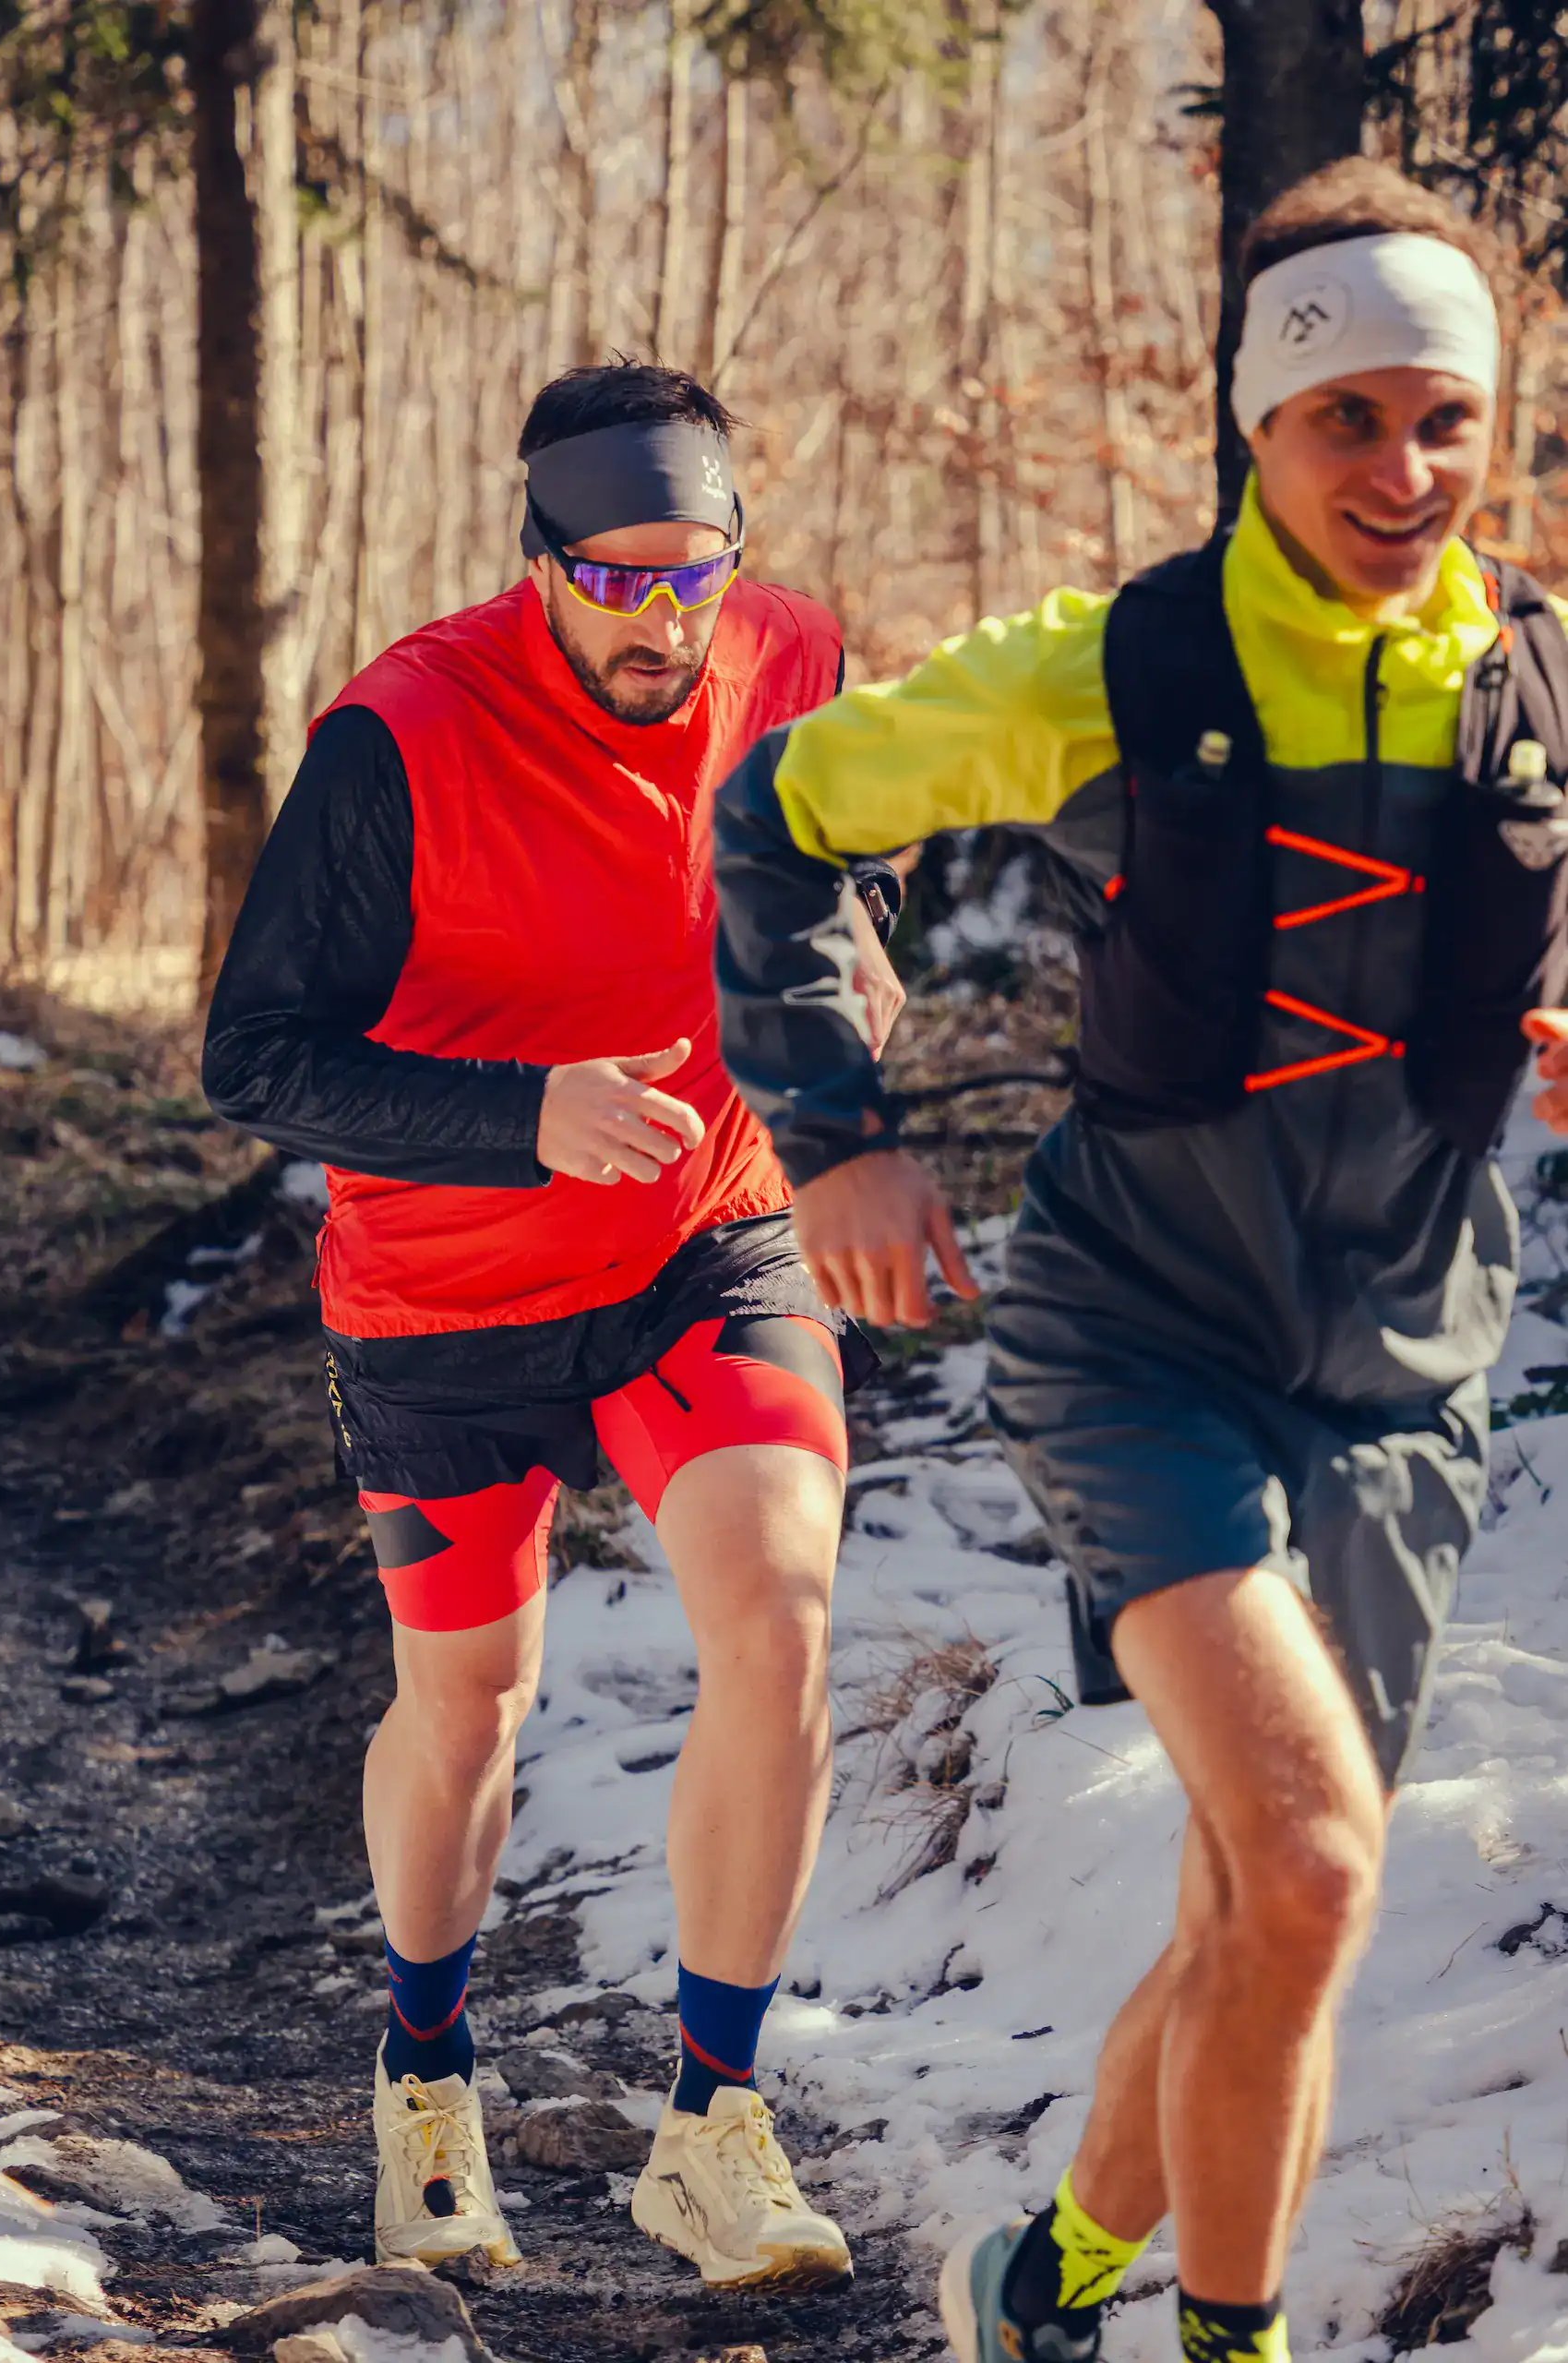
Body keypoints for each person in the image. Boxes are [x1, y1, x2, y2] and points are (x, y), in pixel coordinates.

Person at [710, 161, 1568, 2363]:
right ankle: (1228, 2341)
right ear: (1254, 428)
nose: (1404, 469)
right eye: (1347, 418)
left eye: (1445, 418)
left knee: (1257, 1906)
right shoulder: (1117, 667)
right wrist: (835, 1140)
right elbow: (780, 813)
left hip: (1406, 1359)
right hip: (1142, 1342)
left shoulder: (1536, 691)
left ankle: (1047, 2279)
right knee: (1300, 1869)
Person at [203, 360, 909, 2289]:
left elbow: (829, 864)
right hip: (445, 1294)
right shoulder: (401, 733)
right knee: (470, 1710)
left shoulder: (793, 656)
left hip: (704, 1228)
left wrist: (855, 954)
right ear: (538, 565)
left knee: (777, 1614)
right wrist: (522, 1114)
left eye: (692, 576)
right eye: (613, 582)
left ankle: (713, 2122)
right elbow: (250, 1056)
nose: (659, 622)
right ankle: (425, 2076)